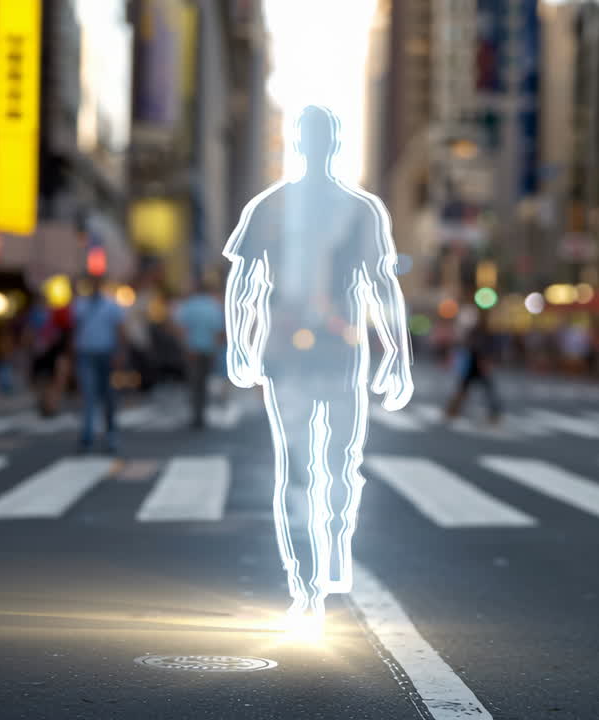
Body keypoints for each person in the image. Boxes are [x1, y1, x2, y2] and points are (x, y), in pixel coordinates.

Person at [223, 105, 414, 627]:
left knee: (339, 467)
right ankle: (307, 580)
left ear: (331, 144)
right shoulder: (271, 208)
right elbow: (245, 283)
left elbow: (384, 286)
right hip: (289, 360)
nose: (315, 144)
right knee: (298, 468)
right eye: (309, 136)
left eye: (322, 136)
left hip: (342, 357)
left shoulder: (361, 210)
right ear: (300, 144)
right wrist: (239, 344)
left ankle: (329, 558)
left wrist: (398, 353)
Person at [72, 275, 125, 452]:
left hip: (106, 354)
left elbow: (119, 329)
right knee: (88, 395)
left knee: (108, 397)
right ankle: (87, 436)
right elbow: (74, 330)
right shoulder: (80, 305)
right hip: (86, 353)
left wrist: (119, 352)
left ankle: (111, 434)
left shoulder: (111, 305)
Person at [173, 279, 226, 428]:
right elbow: (219, 331)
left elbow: (179, 328)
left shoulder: (188, 306)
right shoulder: (214, 306)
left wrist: (185, 345)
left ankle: (196, 413)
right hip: (208, 349)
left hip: (192, 349)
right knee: (204, 382)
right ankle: (201, 414)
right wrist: (216, 348)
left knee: (194, 382)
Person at [445, 312, 502, 423]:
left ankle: (452, 411)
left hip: (475, 366)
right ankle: (452, 410)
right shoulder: (481, 333)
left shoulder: (478, 333)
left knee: (474, 390)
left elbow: (471, 347)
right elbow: (474, 347)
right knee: (470, 389)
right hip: (474, 366)